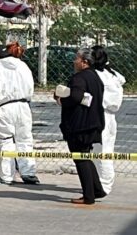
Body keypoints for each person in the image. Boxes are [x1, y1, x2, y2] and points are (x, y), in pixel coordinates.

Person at [54, 48, 106, 205]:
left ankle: (88, 196)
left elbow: (76, 97)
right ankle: (97, 189)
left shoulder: (80, 77)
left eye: (77, 58)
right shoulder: (95, 77)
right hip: (93, 122)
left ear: (84, 62)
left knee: (80, 159)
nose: (74, 61)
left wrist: (61, 100)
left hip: (80, 126)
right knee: (85, 156)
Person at [0, 42, 40, 185]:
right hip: (23, 106)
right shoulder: (23, 66)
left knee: (6, 142)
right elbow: (30, 88)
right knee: (25, 140)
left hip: (4, 108)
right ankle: (28, 173)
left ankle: (6, 177)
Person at [91, 45, 125, 195]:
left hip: (100, 115)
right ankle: (102, 182)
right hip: (110, 117)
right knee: (105, 150)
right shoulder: (113, 75)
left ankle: (104, 185)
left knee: (100, 151)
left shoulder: (97, 76)